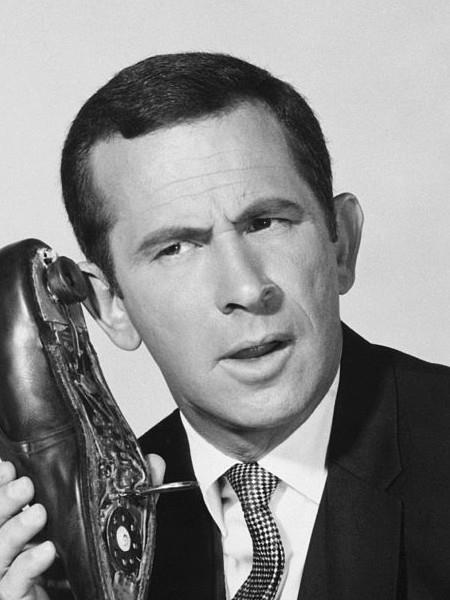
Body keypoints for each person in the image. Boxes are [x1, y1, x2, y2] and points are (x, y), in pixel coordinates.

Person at [0, 52, 449, 600]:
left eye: (265, 222)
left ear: (341, 244)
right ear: (111, 306)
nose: (244, 289)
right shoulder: (87, 547)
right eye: (175, 248)